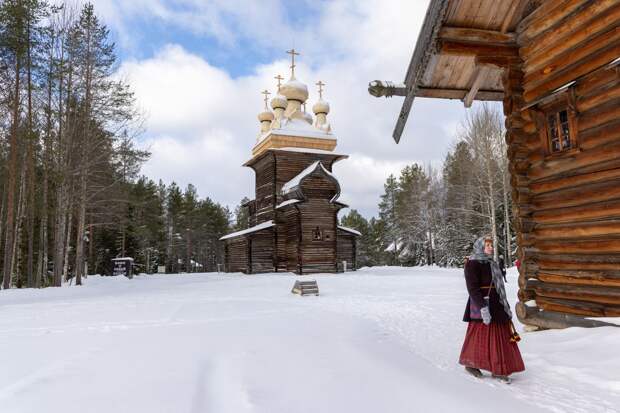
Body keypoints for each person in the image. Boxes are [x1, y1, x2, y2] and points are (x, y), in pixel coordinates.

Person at [459, 236, 524, 383]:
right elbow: (472, 288)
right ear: (480, 247)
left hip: (497, 303)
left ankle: (500, 368)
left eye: (491, 245)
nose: (491, 248)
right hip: (482, 304)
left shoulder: (492, 263)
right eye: (487, 245)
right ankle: (473, 364)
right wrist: (482, 308)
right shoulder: (472, 264)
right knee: (480, 336)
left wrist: (504, 303)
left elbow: (498, 286)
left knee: (500, 335)